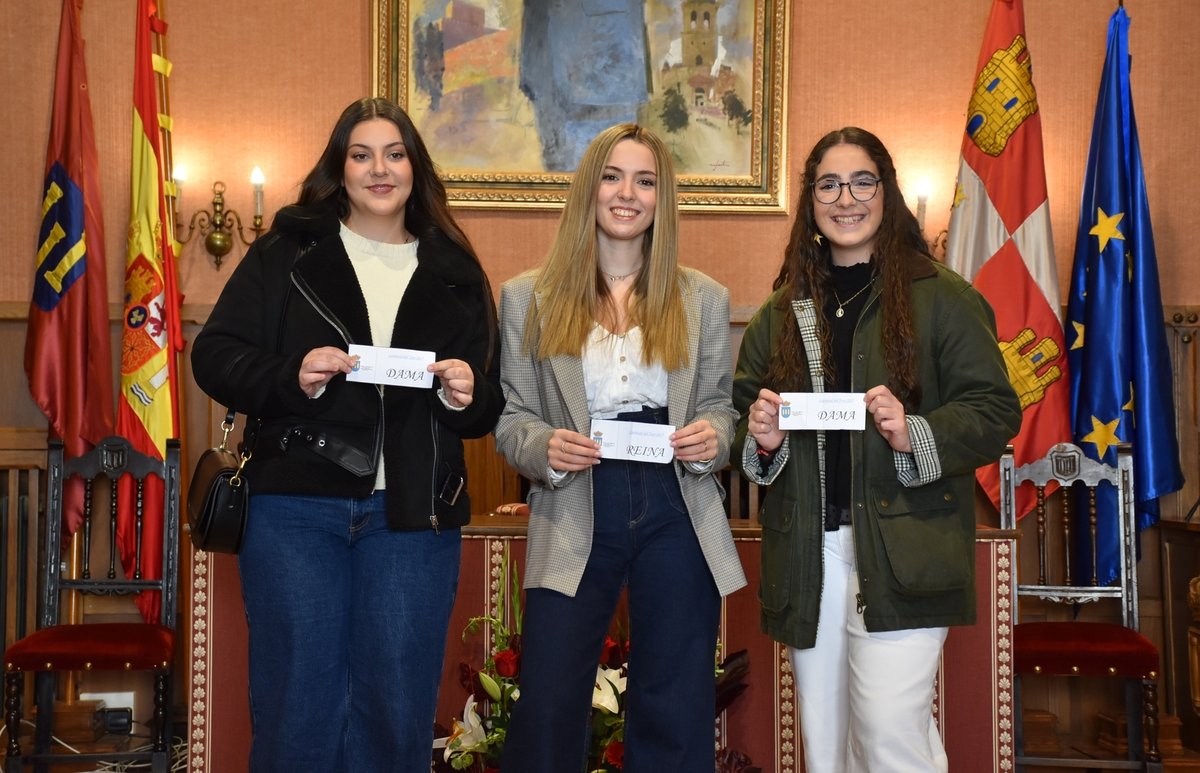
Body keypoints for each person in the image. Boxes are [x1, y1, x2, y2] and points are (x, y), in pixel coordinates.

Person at [190, 97, 503, 773]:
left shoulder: (455, 268)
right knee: (297, 704)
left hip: (414, 517)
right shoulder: (287, 250)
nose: (379, 169)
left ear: (415, 167)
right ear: (340, 167)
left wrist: (469, 393)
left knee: (397, 707)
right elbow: (213, 354)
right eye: (362, 154)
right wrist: (289, 376)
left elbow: (488, 400)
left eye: (394, 154)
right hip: (295, 509)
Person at [733, 127, 1022, 773]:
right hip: (809, 551)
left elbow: (997, 410)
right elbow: (738, 419)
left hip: (906, 547)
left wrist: (912, 428)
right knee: (826, 740)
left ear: (886, 192)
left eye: (862, 181)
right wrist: (760, 434)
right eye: (828, 184)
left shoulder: (944, 297)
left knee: (890, 735)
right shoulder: (782, 311)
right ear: (810, 200)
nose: (846, 198)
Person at [494, 123, 746, 773]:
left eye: (645, 179)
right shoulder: (528, 296)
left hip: (675, 501)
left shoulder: (704, 298)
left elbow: (722, 410)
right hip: (576, 495)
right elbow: (513, 419)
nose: (626, 193)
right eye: (612, 176)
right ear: (588, 189)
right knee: (550, 695)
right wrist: (544, 446)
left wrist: (712, 437)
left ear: (662, 198)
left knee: (675, 695)